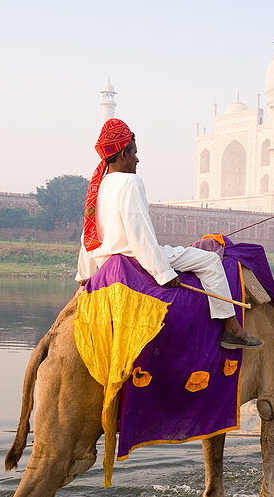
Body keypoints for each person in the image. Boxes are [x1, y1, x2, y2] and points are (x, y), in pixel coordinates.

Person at [77, 118, 262, 349]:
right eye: (134, 152)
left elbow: (88, 234)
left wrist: (84, 275)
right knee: (210, 260)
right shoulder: (129, 181)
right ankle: (232, 329)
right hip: (133, 260)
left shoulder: (98, 185)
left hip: (104, 263)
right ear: (123, 154)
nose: (137, 159)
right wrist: (164, 274)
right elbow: (139, 234)